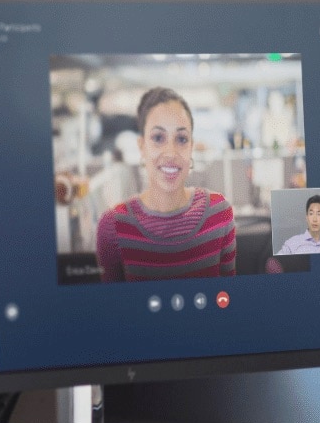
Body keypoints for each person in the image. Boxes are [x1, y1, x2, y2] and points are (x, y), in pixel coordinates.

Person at [94, 87, 238, 281]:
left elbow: (228, 299)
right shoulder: (113, 226)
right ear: (142, 147)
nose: (171, 153)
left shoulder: (219, 212)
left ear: (191, 148)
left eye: (181, 139)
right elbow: (113, 308)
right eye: (158, 138)